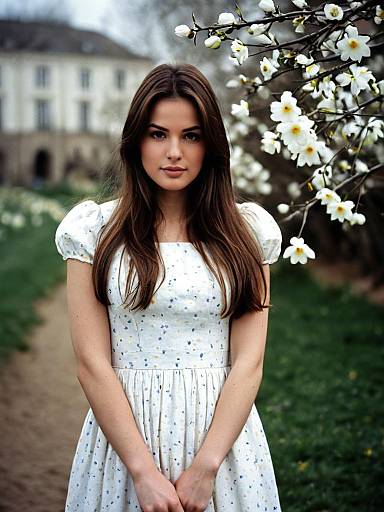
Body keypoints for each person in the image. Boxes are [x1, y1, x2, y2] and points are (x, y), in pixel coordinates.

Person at [55, 62, 283, 512]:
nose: (174, 151)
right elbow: (92, 362)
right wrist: (141, 470)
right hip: (123, 442)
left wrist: (207, 468)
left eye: (191, 136)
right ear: (136, 140)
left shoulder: (247, 233)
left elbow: (249, 361)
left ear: (211, 144)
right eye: (158, 134)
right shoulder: (94, 231)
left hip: (222, 443)